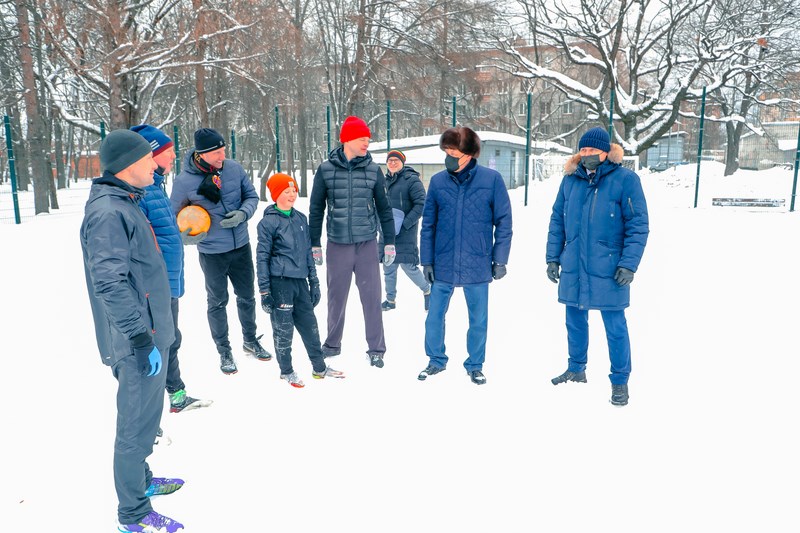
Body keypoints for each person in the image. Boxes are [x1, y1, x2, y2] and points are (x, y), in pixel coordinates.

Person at [80, 129, 184, 532]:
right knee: (134, 425)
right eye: (147, 160)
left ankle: (140, 482)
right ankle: (133, 514)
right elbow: (109, 282)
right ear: (127, 166)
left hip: (148, 332)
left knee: (146, 419)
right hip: (135, 339)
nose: (154, 165)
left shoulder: (126, 201)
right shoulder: (109, 212)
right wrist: (140, 337)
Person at [546, 126, 649, 407]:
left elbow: (638, 226)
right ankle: (576, 368)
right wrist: (553, 257)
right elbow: (557, 221)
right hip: (574, 265)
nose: (587, 154)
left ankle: (620, 381)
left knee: (615, 326)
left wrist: (629, 264)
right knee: (574, 321)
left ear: (606, 152)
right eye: (583, 150)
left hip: (610, 268)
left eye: (592, 150)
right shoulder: (570, 181)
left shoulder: (626, 180)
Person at [170, 127, 270, 375]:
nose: (222, 156)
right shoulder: (183, 182)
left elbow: (252, 196)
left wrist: (243, 213)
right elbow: (174, 217)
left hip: (241, 246)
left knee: (247, 296)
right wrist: (187, 238)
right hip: (212, 252)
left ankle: (250, 340)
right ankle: (224, 350)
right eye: (216, 152)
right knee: (217, 301)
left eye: (223, 150)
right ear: (201, 154)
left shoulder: (233, 169)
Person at [418, 126, 513, 385]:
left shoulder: (491, 180)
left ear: (469, 155)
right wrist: (426, 260)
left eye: (453, 151)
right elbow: (428, 224)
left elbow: (504, 222)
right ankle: (436, 360)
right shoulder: (438, 182)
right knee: (434, 316)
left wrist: (500, 258)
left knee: (478, 319)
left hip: (477, 261)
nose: (448, 156)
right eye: (446, 151)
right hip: (443, 262)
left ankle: (475, 364)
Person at [131, 124, 212, 413]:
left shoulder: (155, 189)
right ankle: (149, 416)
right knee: (161, 343)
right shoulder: (142, 193)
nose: (175, 156)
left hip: (169, 280)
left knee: (171, 339)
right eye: (168, 152)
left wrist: (184, 238)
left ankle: (176, 396)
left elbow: (163, 235)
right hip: (156, 285)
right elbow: (141, 243)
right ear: (151, 156)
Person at [308, 115, 396, 368]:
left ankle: (376, 348)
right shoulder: (325, 170)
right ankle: (332, 344)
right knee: (336, 298)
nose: (367, 142)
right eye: (362, 138)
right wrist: (315, 243)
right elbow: (316, 209)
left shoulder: (373, 170)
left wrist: (388, 241)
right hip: (337, 244)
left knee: (372, 297)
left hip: (366, 243)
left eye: (368, 138)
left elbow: (384, 208)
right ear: (347, 139)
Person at [256, 173, 346, 388]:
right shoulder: (268, 222)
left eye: (294, 191)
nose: (292, 195)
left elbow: (307, 252)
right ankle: (286, 371)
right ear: (276, 194)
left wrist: (314, 282)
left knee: (310, 326)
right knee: (283, 330)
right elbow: (261, 257)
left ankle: (319, 367)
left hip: (300, 283)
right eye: (286, 192)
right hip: (280, 284)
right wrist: (265, 291)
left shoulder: (300, 219)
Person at [378, 149, 431, 312]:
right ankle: (390, 299)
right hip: (387, 232)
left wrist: (406, 224)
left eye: (396, 160)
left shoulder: (412, 180)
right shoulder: (382, 182)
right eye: (389, 160)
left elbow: (421, 204)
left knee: (409, 266)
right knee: (389, 266)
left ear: (403, 162)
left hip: (405, 233)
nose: (392, 163)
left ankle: (427, 290)